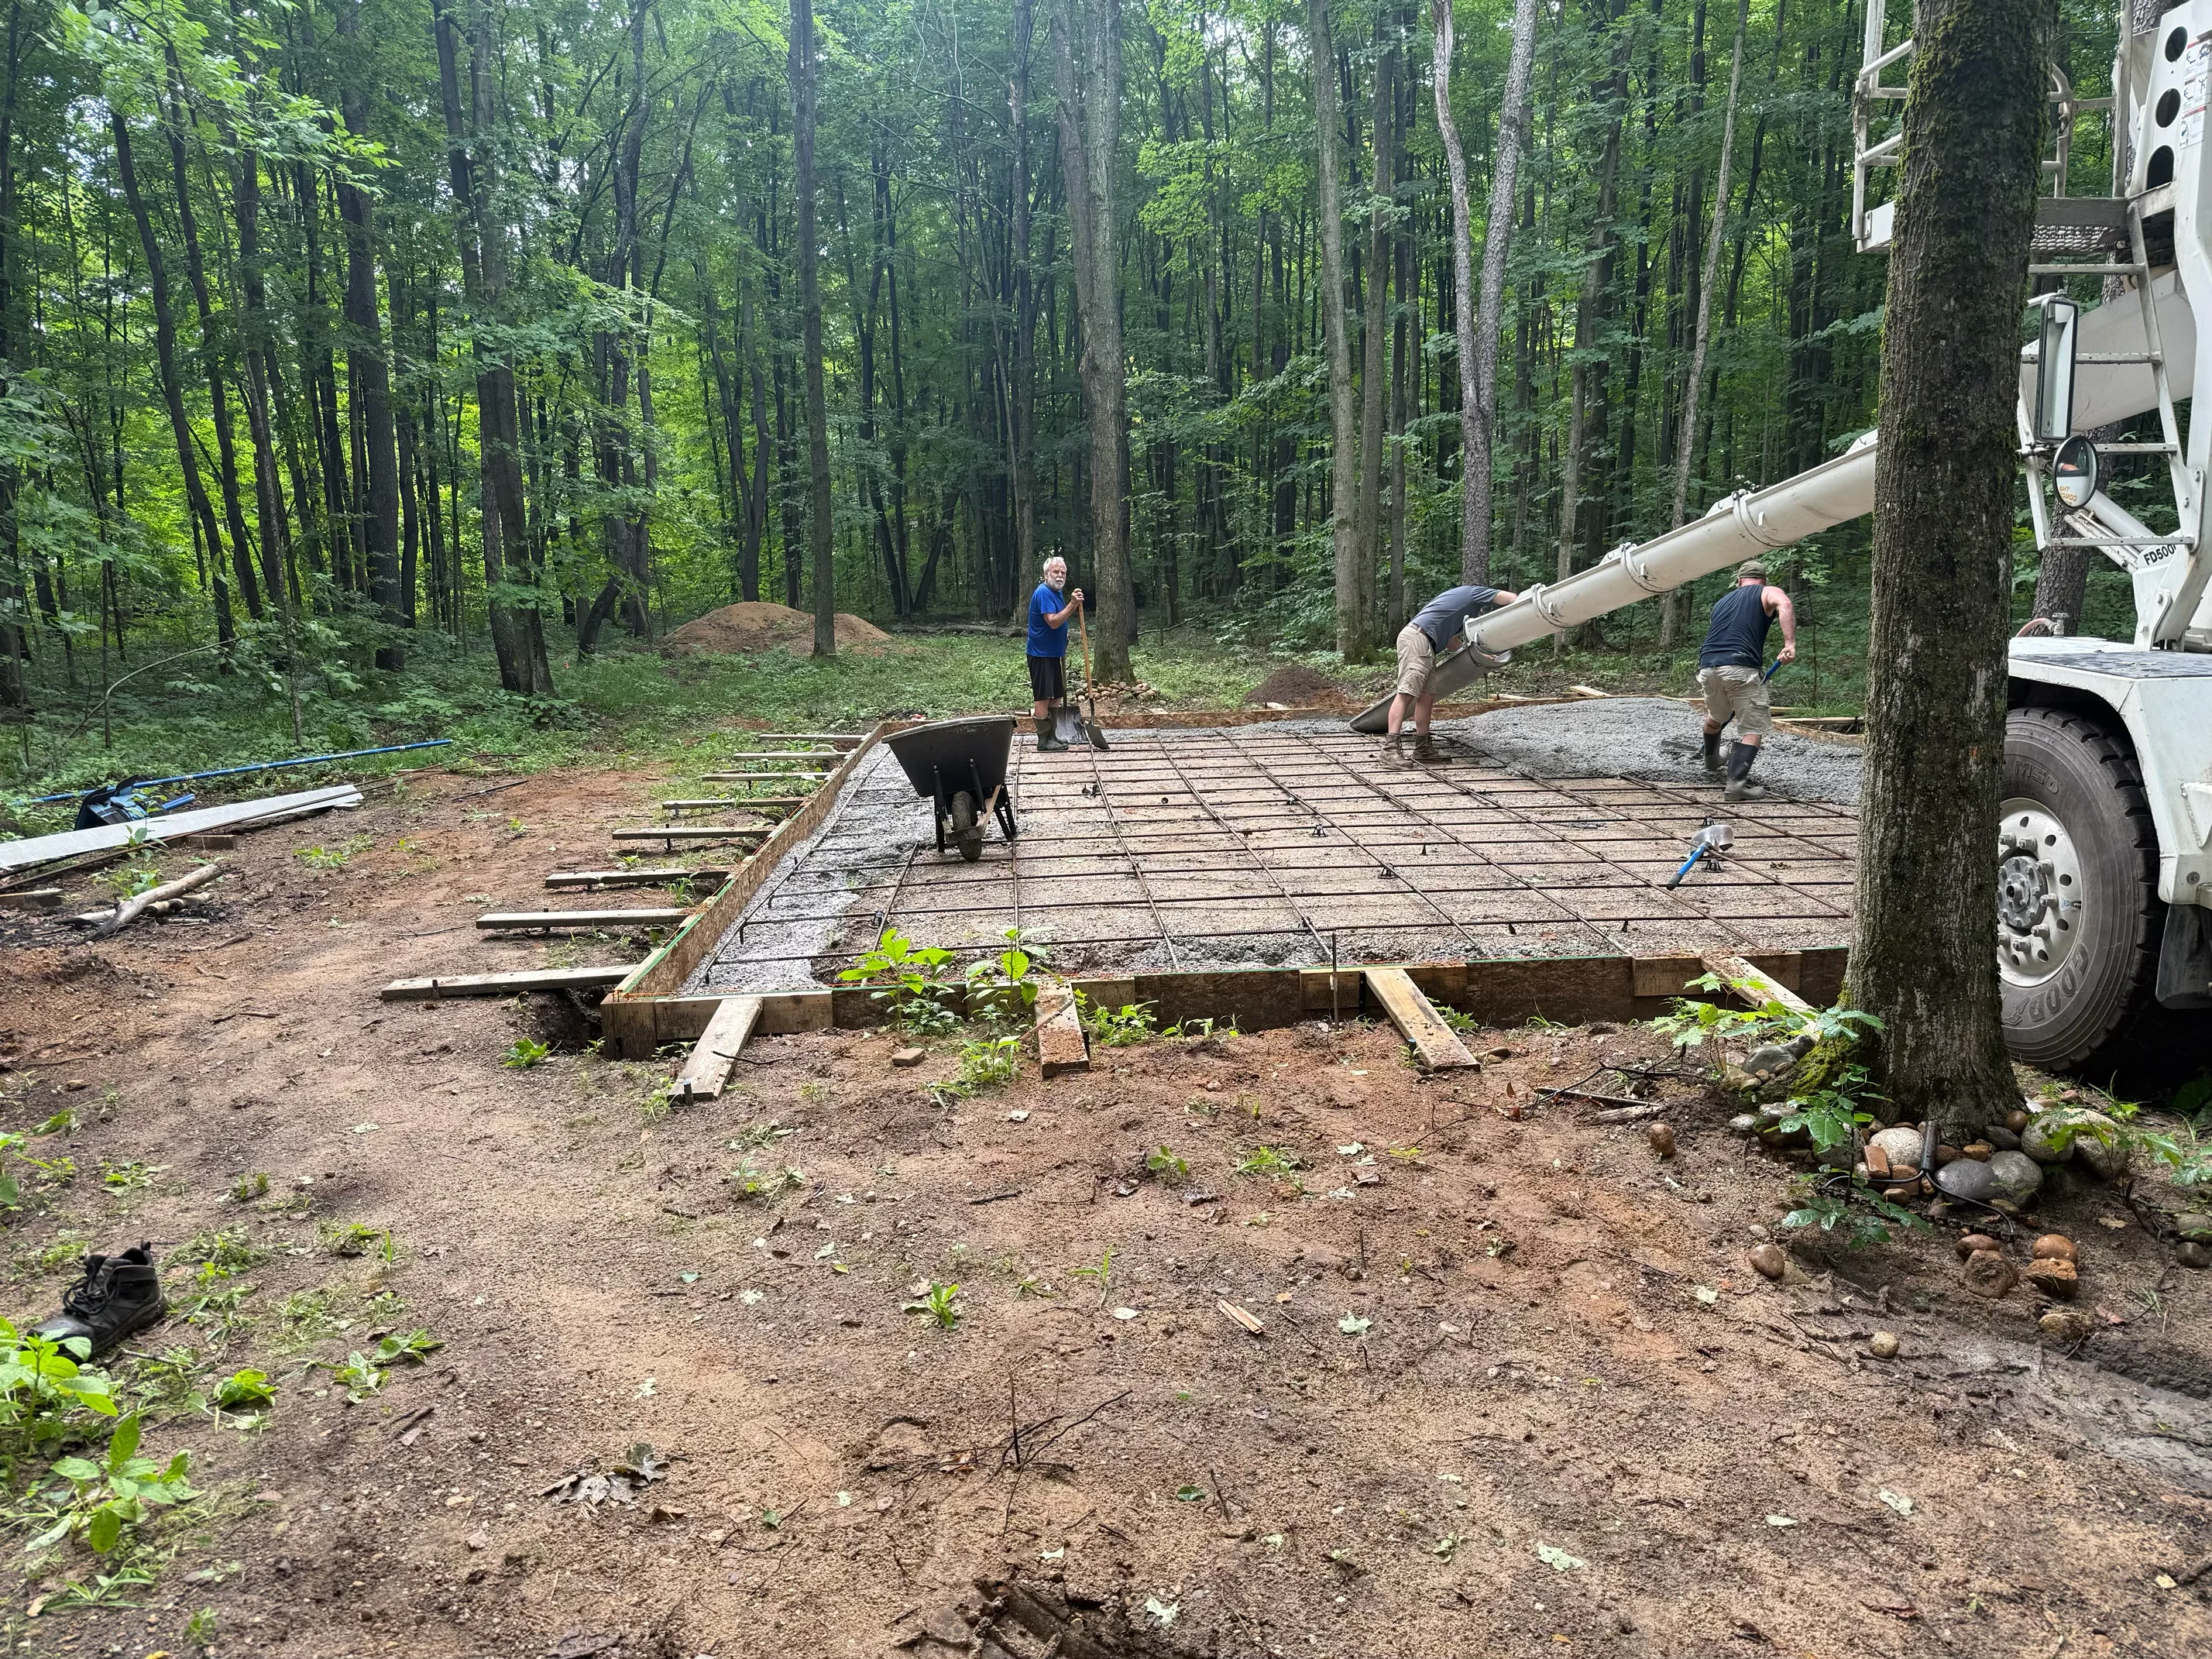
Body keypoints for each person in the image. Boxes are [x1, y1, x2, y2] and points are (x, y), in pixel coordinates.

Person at [1695, 559, 1797, 801]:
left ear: (1739, 581)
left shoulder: (1722, 602)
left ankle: (1712, 760)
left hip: (1709, 666)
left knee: (1717, 716)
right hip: (1740, 668)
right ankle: (1736, 785)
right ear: (1763, 580)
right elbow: (1785, 604)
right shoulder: (1768, 592)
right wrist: (1789, 644)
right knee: (1752, 727)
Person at [1386, 582, 1520, 761]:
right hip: (1418, 638)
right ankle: (1390, 750)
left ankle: (1423, 748)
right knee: (1407, 693)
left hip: (1425, 643)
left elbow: (1451, 642)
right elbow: (1512, 598)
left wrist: (1479, 656)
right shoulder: (1473, 593)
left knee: (1426, 697)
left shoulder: (1460, 606)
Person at [1025, 555, 1084, 752]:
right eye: (1056, 572)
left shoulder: (1056, 592)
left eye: (1063, 572)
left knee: (1056, 696)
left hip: (1053, 653)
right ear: (1046, 574)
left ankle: (1053, 736)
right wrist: (1072, 605)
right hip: (1040, 653)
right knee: (1043, 696)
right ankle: (1044, 740)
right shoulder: (1043, 592)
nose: (1060, 575)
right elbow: (1053, 621)